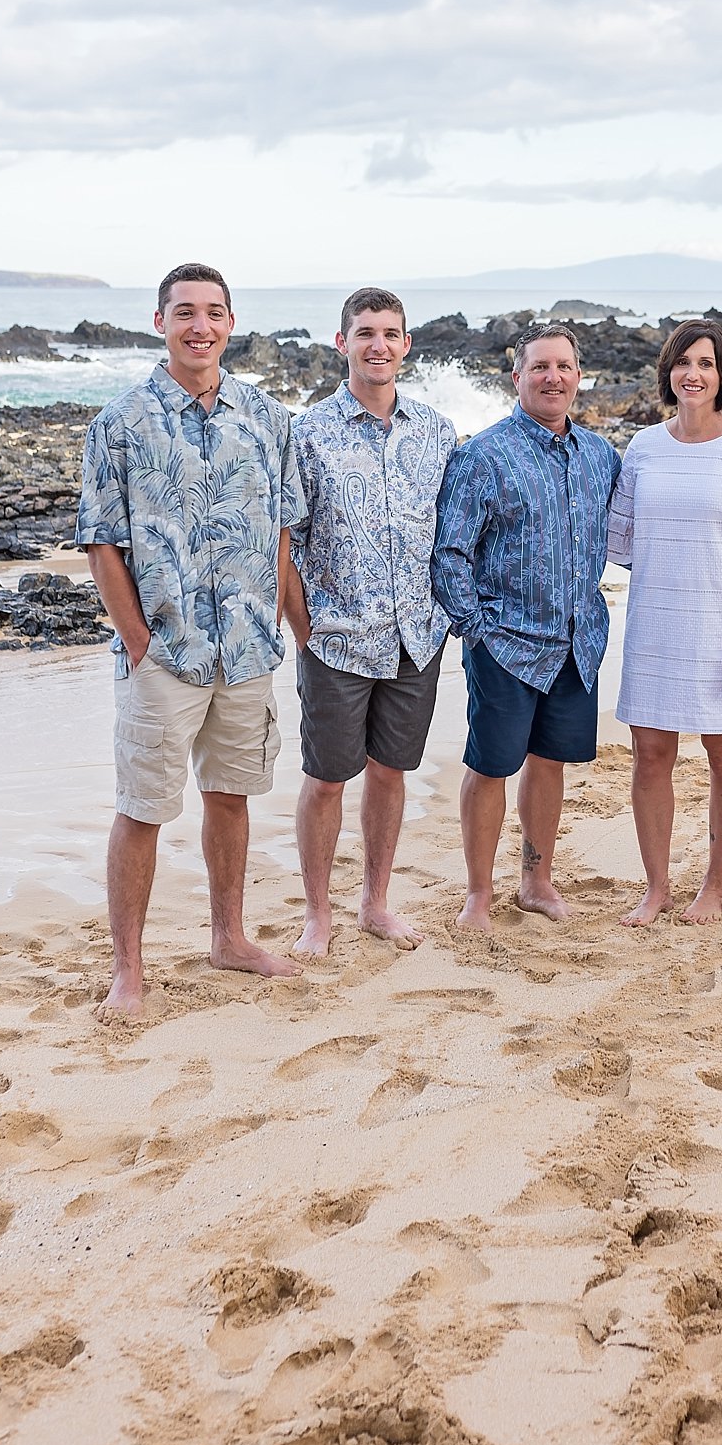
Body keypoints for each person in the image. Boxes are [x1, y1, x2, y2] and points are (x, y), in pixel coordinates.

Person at [76, 262, 306, 1018]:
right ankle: (128, 971)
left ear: (231, 323)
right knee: (141, 808)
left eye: (213, 313)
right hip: (164, 655)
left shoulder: (269, 420)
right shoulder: (119, 423)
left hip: (244, 649)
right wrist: (138, 640)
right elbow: (101, 542)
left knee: (230, 798)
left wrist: (278, 619)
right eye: (184, 313)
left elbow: (282, 527)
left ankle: (229, 939)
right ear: (160, 322)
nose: (199, 326)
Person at [283, 287, 457, 954]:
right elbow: (284, 540)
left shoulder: (436, 431)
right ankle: (317, 914)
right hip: (336, 639)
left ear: (406, 344)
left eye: (389, 333)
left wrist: (448, 612)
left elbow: (454, 530)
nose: (377, 345)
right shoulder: (307, 434)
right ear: (342, 343)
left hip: (417, 635)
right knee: (326, 779)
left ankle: (375, 904)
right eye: (365, 333)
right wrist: (304, 630)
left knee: (390, 772)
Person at [433, 323, 621, 931]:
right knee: (490, 766)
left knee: (549, 762)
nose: (552, 377)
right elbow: (450, 553)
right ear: (516, 377)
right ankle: (479, 894)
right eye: (540, 367)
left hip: (576, 642)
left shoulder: (600, 456)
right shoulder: (483, 455)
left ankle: (536, 883)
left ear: (579, 377)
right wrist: (476, 629)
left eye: (563, 367)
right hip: (505, 644)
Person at [607, 320, 722, 926]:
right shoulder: (643, 448)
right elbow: (622, 541)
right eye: (683, 362)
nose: (694, 374)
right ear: (668, 372)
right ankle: (657, 887)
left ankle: (714, 885)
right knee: (650, 755)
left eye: (707, 364)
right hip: (655, 625)